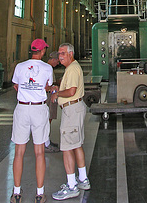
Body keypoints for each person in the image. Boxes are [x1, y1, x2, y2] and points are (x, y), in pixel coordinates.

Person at [10, 38, 54, 203]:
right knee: (39, 152)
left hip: (22, 109)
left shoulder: (20, 67)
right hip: (38, 109)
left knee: (19, 152)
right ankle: (39, 192)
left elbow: (15, 85)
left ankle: (16, 192)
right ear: (42, 52)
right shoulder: (47, 68)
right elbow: (47, 87)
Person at [51, 44, 90, 200]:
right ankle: (82, 179)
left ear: (70, 54)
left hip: (72, 111)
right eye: (59, 53)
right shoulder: (71, 68)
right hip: (76, 109)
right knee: (76, 145)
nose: (60, 56)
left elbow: (71, 91)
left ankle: (72, 186)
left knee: (67, 147)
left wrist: (57, 93)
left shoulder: (73, 69)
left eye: (63, 53)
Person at [45, 50, 61, 153]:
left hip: (50, 96)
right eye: (58, 61)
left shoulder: (49, 68)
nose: (58, 63)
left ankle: (47, 141)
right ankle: (46, 143)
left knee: (49, 119)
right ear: (53, 59)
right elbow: (47, 86)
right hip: (48, 98)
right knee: (47, 120)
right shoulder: (47, 69)